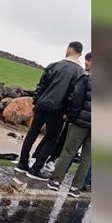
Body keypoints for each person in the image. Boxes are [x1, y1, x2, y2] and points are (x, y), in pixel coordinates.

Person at [15, 42, 86, 180]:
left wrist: (36, 101)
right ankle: (36, 168)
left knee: (32, 133)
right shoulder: (80, 73)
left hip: (42, 104)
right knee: (51, 139)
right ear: (80, 54)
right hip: (58, 110)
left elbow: (41, 84)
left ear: (68, 50)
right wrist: (68, 113)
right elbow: (74, 95)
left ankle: (22, 163)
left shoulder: (53, 65)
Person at [48, 52, 92, 197]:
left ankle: (55, 181)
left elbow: (76, 98)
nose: (86, 64)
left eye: (88, 62)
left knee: (68, 151)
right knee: (87, 158)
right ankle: (75, 188)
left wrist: (71, 115)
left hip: (80, 121)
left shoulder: (86, 79)